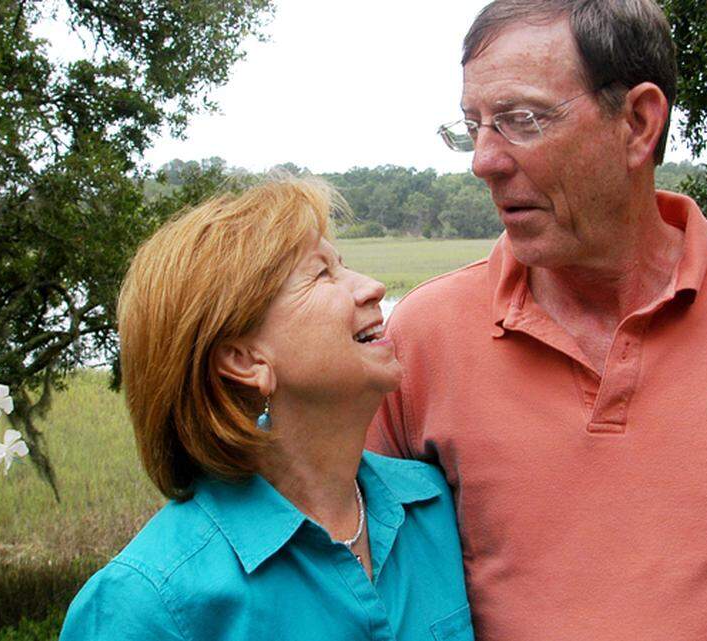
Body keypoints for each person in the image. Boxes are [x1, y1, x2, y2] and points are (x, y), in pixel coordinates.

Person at [367, 1, 707, 639]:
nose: (483, 160)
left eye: (521, 120)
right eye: (474, 125)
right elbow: (352, 572)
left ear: (638, 122)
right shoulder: (422, 337)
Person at [60, 177, 473, 641]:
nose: (373, 287)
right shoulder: (143, 604)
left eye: (344, 265)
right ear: (244, 360)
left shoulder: (435, 506)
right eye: (322, 275)